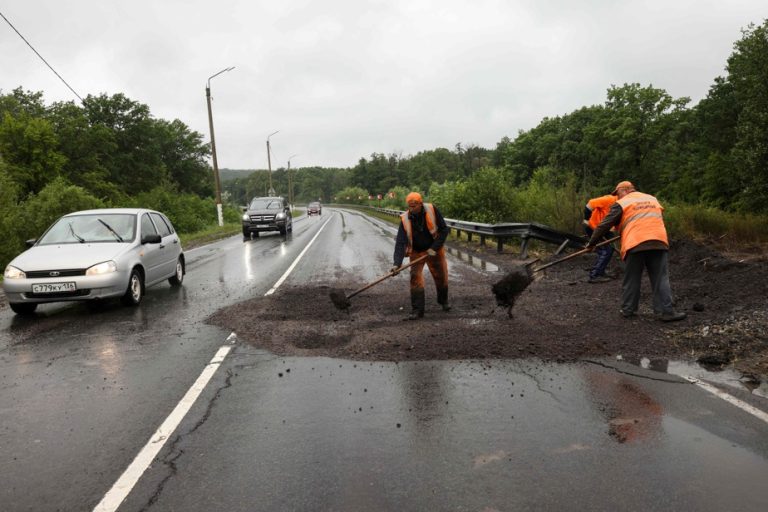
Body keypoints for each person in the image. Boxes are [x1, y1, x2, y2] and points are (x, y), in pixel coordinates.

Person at [587, 181, 686, 322]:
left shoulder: (622, 203)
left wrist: (591, 244)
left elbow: (604, 225)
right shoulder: (652, 199)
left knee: (632, 277)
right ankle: (666, 312)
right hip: (658, 240)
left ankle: (628, 310)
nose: (617, 197)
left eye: (617, 194)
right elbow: (648, 219)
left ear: (625, 190)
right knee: (660, 278)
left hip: (636, 242)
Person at [392, 192, 451, 320]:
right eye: (409, 206)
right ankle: (417, 310)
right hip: (416, 251)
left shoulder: (431, 210)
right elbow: (400, 242)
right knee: (415, 278)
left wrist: (434, 248)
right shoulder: (405, 219)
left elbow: (444, 230)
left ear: (420, 204)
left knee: (441, 276)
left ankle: (443, 301)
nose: (411, 209)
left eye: (414, 206)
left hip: (434, 249)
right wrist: (397, 264)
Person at [583, 193, 618, 283]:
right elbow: (589, 204)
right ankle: (595, 275)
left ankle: (600, 271)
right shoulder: (609, 199)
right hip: (594, 227)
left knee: (610, 249)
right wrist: (586, 220)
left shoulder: (624, 204)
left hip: (606, 229)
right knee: (606, 250)